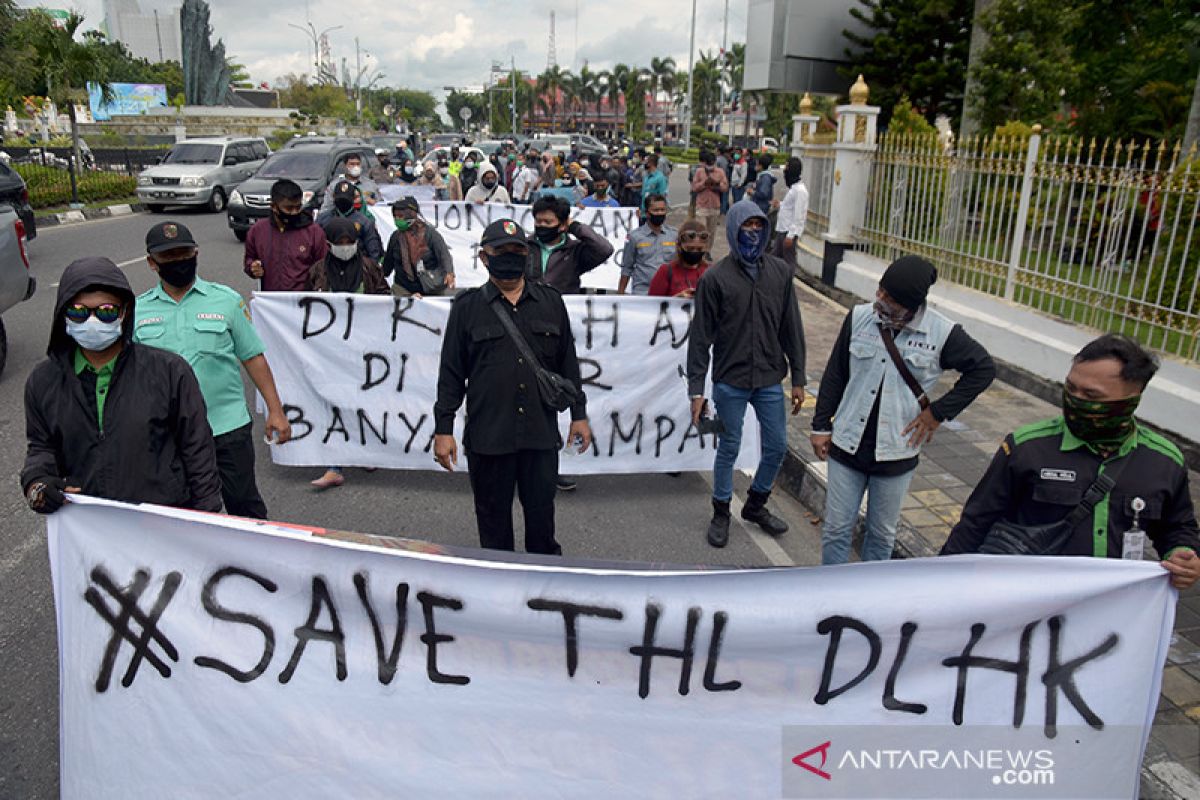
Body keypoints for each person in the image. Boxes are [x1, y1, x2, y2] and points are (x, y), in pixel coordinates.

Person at [941, 334, 1200, 589]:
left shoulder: (1164, 461)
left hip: (1112, 606)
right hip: (1029, 603)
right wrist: (941, 582)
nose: (1076, 400)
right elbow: (976, 523)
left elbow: (1178, 526)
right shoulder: (1027, 448)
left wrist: (1182, 554)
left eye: (1091, 395)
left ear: (1132, 397)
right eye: (1071, 388)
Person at [812, 256, 996, 564]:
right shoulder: (859, 317)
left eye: (891, 299)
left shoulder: (942, 333)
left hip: (896, 452)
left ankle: (874, 600)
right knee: (836, 529)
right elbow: (835, 374)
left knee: (882, 535)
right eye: (880, 291)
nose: (880, 301)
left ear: (912, 305)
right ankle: (833, 595)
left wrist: (938, 412)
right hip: (847, 444)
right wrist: (821, 425)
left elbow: (983, 369)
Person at [434, 218, 592, 554]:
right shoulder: (467, 308)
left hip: (539, 436)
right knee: (492, 522)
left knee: (541, 520)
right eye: (500, 251)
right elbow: (451, 373)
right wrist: (443, 428)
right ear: (484, 257)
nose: (510, 257)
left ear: (527, 255)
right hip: (489, 437)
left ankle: (543, 586)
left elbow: (568, 363)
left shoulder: (551, 302)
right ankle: (499, 587)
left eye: (517, 250)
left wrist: (579, 414)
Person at [22, 257, 222, 514]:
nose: (91, 322)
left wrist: (208, 516)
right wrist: (37, 483)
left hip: (163, 524)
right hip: (89, 526)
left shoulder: (170, 371)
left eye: (106, 311)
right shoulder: (43, 381)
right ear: (63, 314)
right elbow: (40, 446)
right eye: (79, 312)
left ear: (125, 311)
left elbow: (197, 449)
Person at [134, 221, 292, 519]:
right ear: (152, 263)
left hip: (226, 426)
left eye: (184, 253)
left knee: (243, 505)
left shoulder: (227, 301)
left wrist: (276, 410)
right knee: (181, 513)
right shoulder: (137, 311)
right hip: (167, 433)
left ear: (195, 253)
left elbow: (253, 357)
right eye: (169, 257)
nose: (178, 262)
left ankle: (254, 563)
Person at [687, 199, 807, 548]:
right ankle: (721, 511)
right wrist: (697, 390)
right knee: (730, 446)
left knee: (777, 446)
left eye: (759, 227)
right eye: (746, 228)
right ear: (733, 230)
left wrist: (799, 377)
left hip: (770, 378)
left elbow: (792, 328)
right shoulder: (715, 280)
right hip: (730, 381)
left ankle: (756, 504)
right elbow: (700, 340)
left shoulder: (780, 274)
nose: (753, 234)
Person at [306, 217, 392, 490]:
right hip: (330, 351)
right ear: (329, 244)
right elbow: (305, 307)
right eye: (340, 243)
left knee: (364, 402)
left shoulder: (369, 268)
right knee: (333, 402)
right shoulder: (318, 271)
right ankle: (334, 466)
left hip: (365, 350)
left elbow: (386, 299)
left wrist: (409, 305)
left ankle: (364, 451)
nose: (345, 247)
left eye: (350, 242)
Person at [245, 179, 328, 291]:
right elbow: (249, 259)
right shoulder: (257, 231)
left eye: (298, 207)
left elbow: (324, 267)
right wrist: (252, 267)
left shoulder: (314, 232)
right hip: (272, 301)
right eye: (289, 208)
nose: (294, 212)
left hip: (304, 301)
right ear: (273, 206)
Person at [526, 194, 615, 295]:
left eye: (548, 222)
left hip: (563, 307)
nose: (542, 225)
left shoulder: (575, 251)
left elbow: (605, 249)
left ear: (563, 225)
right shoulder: (525, 247)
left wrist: (575, 227)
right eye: (538, 221)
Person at [382, 197, 456, 297]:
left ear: (411, 215)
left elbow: (444, 254)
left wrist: (449, 272)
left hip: (431, 287)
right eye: (395, 216)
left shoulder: (430, 234)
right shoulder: (395, 237)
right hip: (404, 287)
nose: (397, 220)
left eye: (401, 216)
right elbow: (387, 264)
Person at [618, 194, 677, 295]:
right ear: (647, 213)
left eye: (662, 210)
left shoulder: (674, 235)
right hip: (643, 291)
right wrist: (620, 294)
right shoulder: (634, 237)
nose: (660, 213)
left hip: (669, 291)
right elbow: (627, 267)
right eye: (656, 210)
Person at [316, 180, 385, 261]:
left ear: (353, 198)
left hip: (358, 266)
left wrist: (367, 270)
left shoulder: (364, 221)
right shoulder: (323, 219)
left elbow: (373, 251)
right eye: (340, 199)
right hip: (329, 266)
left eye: (346, 199)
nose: (342, 202)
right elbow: (315, 246)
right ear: (333, 197)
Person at [648, 220, 710, 298]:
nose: (695, 252)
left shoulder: (710, 272)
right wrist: (677, 299)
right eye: (690, 248)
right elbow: (652, 305)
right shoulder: (666, 271)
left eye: (699, 249)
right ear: (679, 246)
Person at [774, 156, 809, 263]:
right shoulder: (794, 188)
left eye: (787, 167)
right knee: (776, 259)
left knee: (788, 260)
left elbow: (799, 215)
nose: (785, 170)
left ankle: (788, 279)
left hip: (788, 231)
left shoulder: (800, 191)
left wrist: (791, 236)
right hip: (782, 228)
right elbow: (789, 207)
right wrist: (780, 204)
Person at [691, 150, 729, 240]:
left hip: (715, 206)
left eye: (712, 164)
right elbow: (694, 187)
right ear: (704, 163)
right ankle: (701, 251)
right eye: (708, 164)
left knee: (711, 233)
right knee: (701, 231)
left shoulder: (720, 172)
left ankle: (708, 251)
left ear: (715, 162)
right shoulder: (699, 171)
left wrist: (716, 184)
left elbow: (725, 188)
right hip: (701, 206)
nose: (710, 166)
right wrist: (704, 183)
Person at [751, 153, 777, 217]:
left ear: (761, 166)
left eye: (756, 164)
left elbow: (763, 193)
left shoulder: (765, 178)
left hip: (762, 207)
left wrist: (752, 192)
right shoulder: (761, 176)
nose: (755, 166)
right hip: (759, 205)